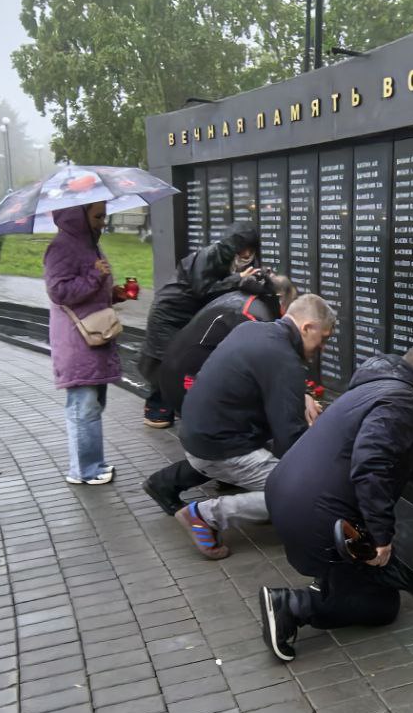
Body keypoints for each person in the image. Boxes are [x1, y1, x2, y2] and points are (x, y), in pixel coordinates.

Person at [259, 341, 413, 661]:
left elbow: (403, 459)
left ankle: (331, 580)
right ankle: (292, 606)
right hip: (317, 513)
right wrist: (381, 536)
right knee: (382, 607)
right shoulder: (403, 402)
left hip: (290, 494)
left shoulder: (381, 388)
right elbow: (372, 467)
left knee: (383, 581)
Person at [174, 294, 335, 559]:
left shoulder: (252, 329)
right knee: (306, 497)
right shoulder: (284, 359)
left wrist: (300, 396)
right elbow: (290, 439)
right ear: (307, 328)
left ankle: (263, 503)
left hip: (198, 436)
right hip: (220, 448)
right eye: (324, 338)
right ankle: (204, 515)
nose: (323, 347)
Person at [141, 272, 301, 516]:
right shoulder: (254, 318)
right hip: (187, 376)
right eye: (291, 304)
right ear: (280, 298)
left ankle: (167, 482)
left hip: (179, 368)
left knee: (225, 443)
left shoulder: (248, 300)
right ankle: (172, 488)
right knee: (225, 442)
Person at [138, 222, 261, 429]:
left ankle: (171, 405)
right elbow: (204, 290)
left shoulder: (229, 259)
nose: (247, 253)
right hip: (169, 313)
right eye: (243, 248)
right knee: (165, 360)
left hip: (186, 316)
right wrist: (238, 279)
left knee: (179, 360)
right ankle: (155, 408)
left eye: (251, 248)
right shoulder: (210, 255)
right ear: (234, 245)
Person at [44, 202, 126, 486]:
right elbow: (58, 291)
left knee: (93, 404)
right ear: (78, 216)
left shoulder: (88, 244)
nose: (104, 221)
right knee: (84, 406)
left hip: (93, 336)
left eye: (104, 215)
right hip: (76, 340)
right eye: (98, 216)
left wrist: (113, 293)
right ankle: (84, 470)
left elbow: (88, 288)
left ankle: (93, 463)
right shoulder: (63, 247)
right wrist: (95, 276)